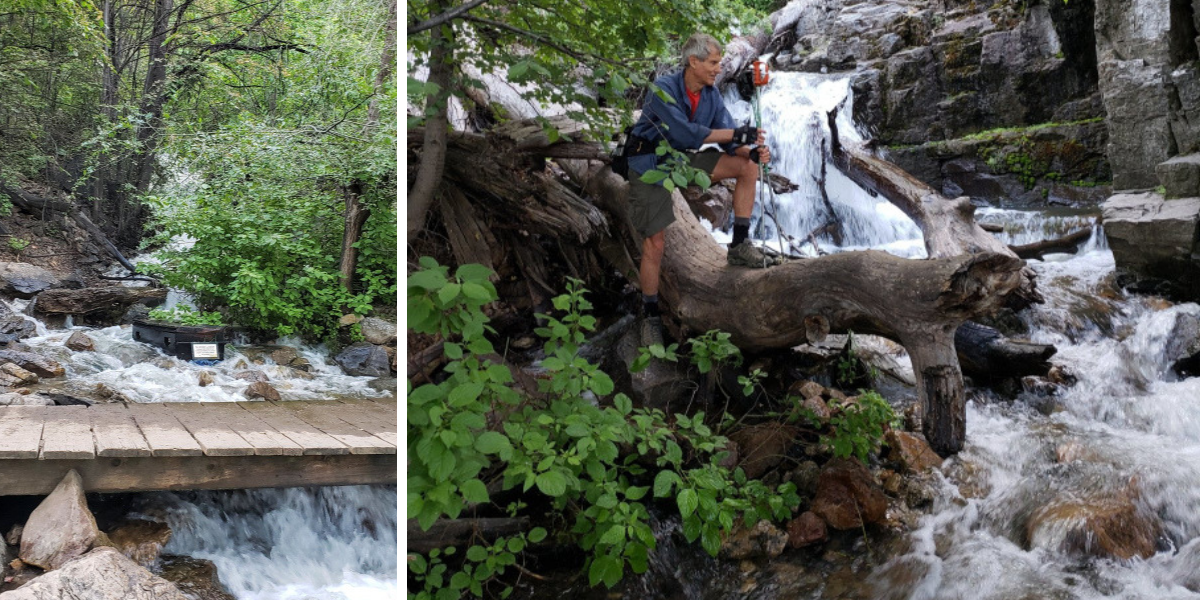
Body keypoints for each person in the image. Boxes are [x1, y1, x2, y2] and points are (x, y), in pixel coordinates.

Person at [626, 32, 776, 346]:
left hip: (682, 161)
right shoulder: (663, 90)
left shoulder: (710, 94)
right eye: (713, 62)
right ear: (693, 62)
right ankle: (650, 314)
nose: (719, 68)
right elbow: (684, 134)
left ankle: (738, 246)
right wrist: (737, 133)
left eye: (720, 62)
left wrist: (749, 149)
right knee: (655, 243)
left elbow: (729, 139)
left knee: (747, 166)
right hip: (649, 161)